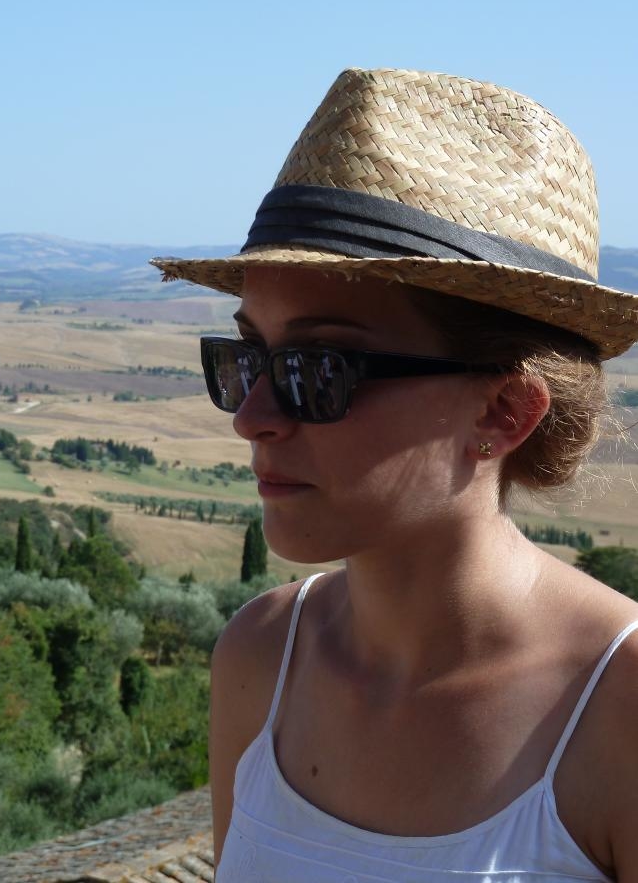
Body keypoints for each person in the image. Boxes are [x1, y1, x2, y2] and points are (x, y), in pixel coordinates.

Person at [153, 68, 638, 881]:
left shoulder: (619, 705)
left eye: (319, 367)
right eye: (249, 356)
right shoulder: (260, 657)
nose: (252, 415)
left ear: (505, 412)